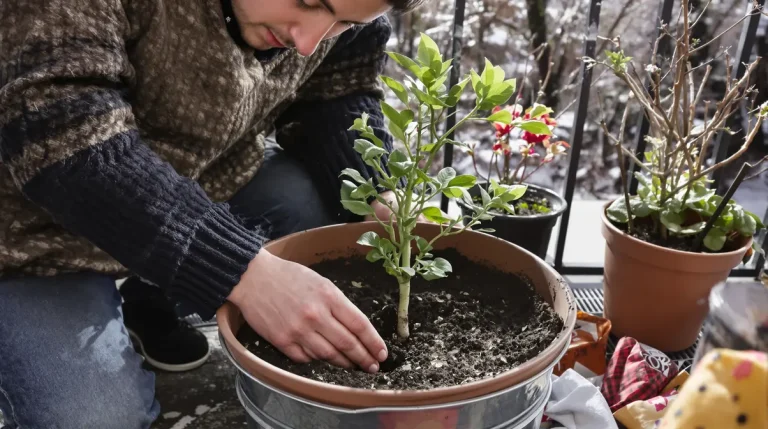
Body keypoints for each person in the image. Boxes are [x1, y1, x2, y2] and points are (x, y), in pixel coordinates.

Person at [0, 0, 424, 426]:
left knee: (302, 206)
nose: (309, 42)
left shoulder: (331, 21)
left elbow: (334, 94)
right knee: (96, 419)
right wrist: (241, 270)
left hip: (199, 175)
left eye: (345, 23)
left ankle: (147, 302)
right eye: (307, 1)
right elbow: (60, 133)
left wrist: (377, 192)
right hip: (28, 233)